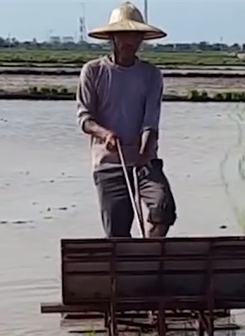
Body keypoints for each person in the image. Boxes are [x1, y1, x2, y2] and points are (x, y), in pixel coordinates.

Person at [76, 2, 177, 238]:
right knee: (117, 232)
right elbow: (85, 119)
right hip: (110, 162)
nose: (130, 41)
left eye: (136, 35)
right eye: (124, 34)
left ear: (142, 38)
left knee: (163, 207)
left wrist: (143, 156)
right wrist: (105, 134)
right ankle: (128, 270)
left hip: (144, 159)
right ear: (113, 37)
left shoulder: (151, 75)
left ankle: (149, 256)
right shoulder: (94, 71)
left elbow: (150, 122)